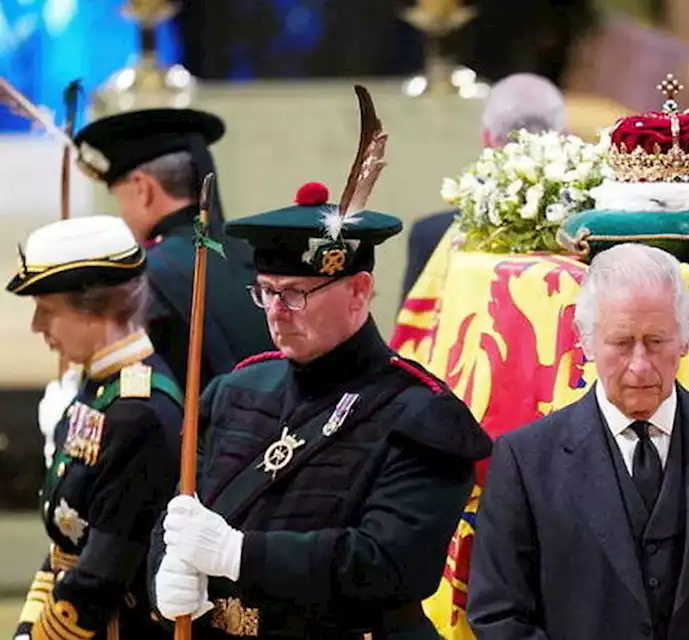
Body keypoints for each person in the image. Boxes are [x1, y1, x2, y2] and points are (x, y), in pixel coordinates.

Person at [146, 180, 493, 638]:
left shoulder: (421, 414)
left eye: (295, 294)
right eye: (266, 291)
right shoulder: (233, 390)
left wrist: (239, 555)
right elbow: (180, 514)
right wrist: (163, 575)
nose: (275, 311)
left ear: (358, 291)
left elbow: (391, 563)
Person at [467, 243, 689, 640]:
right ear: (587, 341)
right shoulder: (525, 461)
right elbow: (499, 614)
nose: (640, 365)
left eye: (657, 341)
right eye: (622, 342)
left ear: (686, 337)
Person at [8, 216, 183, 640]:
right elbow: (65, 550)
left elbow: (101, 578)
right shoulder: (99, 385)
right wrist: (28, 628)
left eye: (47, 311)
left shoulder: (137, 410)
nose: (36, 327)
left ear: (96, 309)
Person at [71, 108, 274, 392]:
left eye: (119, 199)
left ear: (143, 188)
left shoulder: (142, 277)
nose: (122, 213)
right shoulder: (256, 255)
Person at [402, 73, 567, 299]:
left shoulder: (433, 238)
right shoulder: (584, 238)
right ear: (565, 137)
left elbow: (412, 330)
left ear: (487, 139)